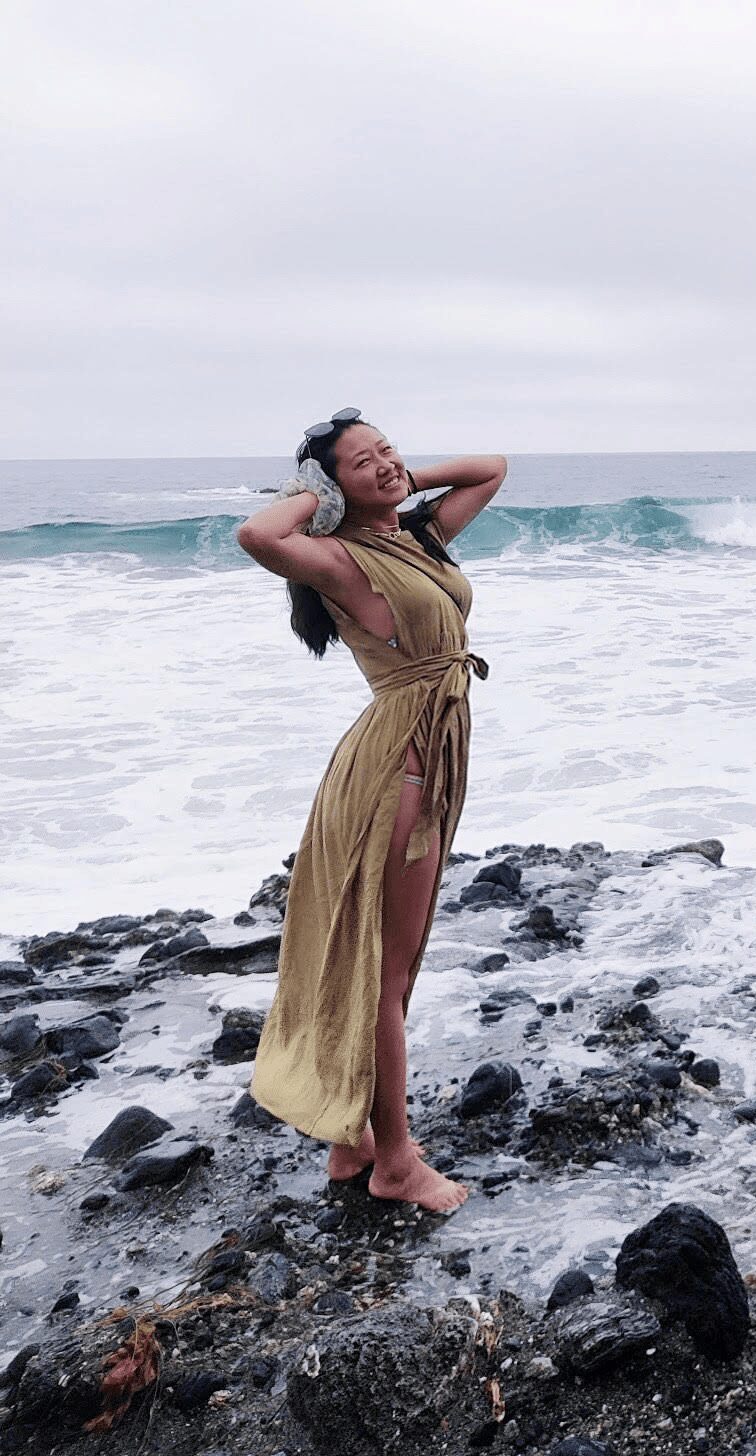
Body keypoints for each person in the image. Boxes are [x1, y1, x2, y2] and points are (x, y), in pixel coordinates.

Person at [236, 411, 507, 1214]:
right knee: (389, 969)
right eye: (363, 462)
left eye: (387, 448)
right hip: (398, 768)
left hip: (427, 754)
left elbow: (491, 467)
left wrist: (399, 482)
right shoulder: (340, 558)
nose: (385, 463)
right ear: (333, 487)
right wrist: (317, 497)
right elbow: (257, 534)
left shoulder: (414, 537)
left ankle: (350, 1139)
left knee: (391, 961)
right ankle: (395, 1162)